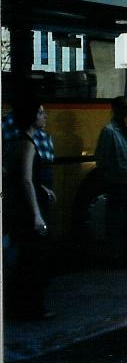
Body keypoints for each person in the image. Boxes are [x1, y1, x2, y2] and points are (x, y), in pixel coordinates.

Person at [2, 97, 56, 320]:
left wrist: (42, 187)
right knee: (33, 259)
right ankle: (33, 307)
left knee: (25, 257)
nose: (45, 116)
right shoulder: (28, 144)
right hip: (27, 210)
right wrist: (37, 215)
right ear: (32, 117)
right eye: (41, 113)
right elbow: (25, 179)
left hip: (19, 208)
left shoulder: (17, 141)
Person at [95, 96, 127, 269]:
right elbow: (101, 157)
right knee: (115, 221)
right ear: (116, 109)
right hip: (115, 182)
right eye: (126, 107)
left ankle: (125, 254)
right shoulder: (109, 131)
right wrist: (109, 176)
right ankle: (114, 255)